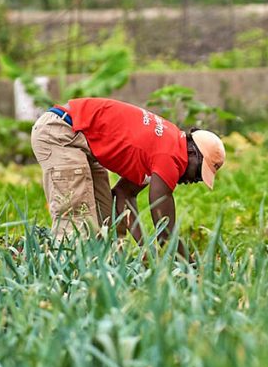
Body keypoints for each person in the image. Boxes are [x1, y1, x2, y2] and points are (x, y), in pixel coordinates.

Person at [30, 97, 225, 256]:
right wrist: (193, 270)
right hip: (62, 132)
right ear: (192, 153)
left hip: (81, 140)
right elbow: (165, 231)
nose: (194, 180)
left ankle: (103, 280)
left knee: (106, 224)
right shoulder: (172, 156)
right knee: (78, 223)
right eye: (199, 172)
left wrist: (145, 250)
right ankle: (62, 286)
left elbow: (123, 196)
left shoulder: (165, 146)